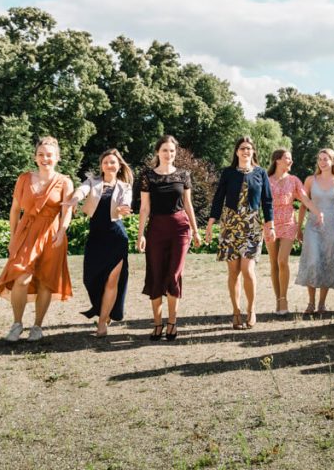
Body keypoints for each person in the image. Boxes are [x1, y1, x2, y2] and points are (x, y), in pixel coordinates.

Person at [0, 137, 75, 342]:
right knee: (22, 278)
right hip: (26, 233)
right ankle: (17, 324)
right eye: (41, 154)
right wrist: (13, 236)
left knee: (46, 282)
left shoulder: (65, 181)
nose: (45, 158)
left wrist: (62, 231)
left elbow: (67, 211)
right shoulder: (23, 179)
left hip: (52, 234)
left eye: (49, 155)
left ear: (57, 158)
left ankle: (37, 326)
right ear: (35, 157)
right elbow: (14, 210)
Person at [205, 137, 274, 330]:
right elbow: (219, 198)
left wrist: (270, 224)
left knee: (248, 270)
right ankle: (236, 312)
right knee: (233, 271)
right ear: (236, 152)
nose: (245, 151)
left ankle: (251, 310)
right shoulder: (228, 173)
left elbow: (267, 201)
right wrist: (211, 223)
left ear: (253, 152)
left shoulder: (260, 173)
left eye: (249, 149)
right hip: (230, 225)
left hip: (252, 225)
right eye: (242, 148)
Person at [138, 135, 202, 341]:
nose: (168, 154)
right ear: (158, 152)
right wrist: (140, 234)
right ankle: (157, 324)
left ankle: (172, 323)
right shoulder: (148, 176)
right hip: (156, 228)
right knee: (156, 274)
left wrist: (196, 230)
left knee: (174, 274)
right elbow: (144, 207)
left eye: (172, 151)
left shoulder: (184, 175)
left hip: (180, 229)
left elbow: (188, 204)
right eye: (165, 150)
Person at [67, 149, 133, 337]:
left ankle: (102, 322)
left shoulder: (125, 186)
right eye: (105, 162)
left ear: (119, 165)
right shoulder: (92, 182)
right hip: (96, 238)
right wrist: (74, 199)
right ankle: (104, 310)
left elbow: (125, 203)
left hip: (116, 238)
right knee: (91, 279)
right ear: (101, 165)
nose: (109, 165)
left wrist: (123, 209)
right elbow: (82, 190)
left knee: (112, 281)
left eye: (113, 162)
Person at [267, 149, 322, 315]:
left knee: (282, 260)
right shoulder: (266, 180)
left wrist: (317, 212)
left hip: (288, 223)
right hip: (270, 224)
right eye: (287, 158)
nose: (291, 161)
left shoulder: (294, 180)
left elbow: (305, 199)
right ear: (277, 160)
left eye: (291, 159)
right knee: (273, 263)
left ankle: (283, 299)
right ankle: (278, 300)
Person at [296, 148, 334, 314]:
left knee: (327, 263)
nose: (322, 162)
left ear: (333, 161)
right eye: (320, 159)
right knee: (312, 261)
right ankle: (310, 303)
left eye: (326, 159)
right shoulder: (310, 180)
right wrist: (299, 227)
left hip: (332, 226)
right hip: (312, 226)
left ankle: (321, 304)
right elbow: (304, 203)